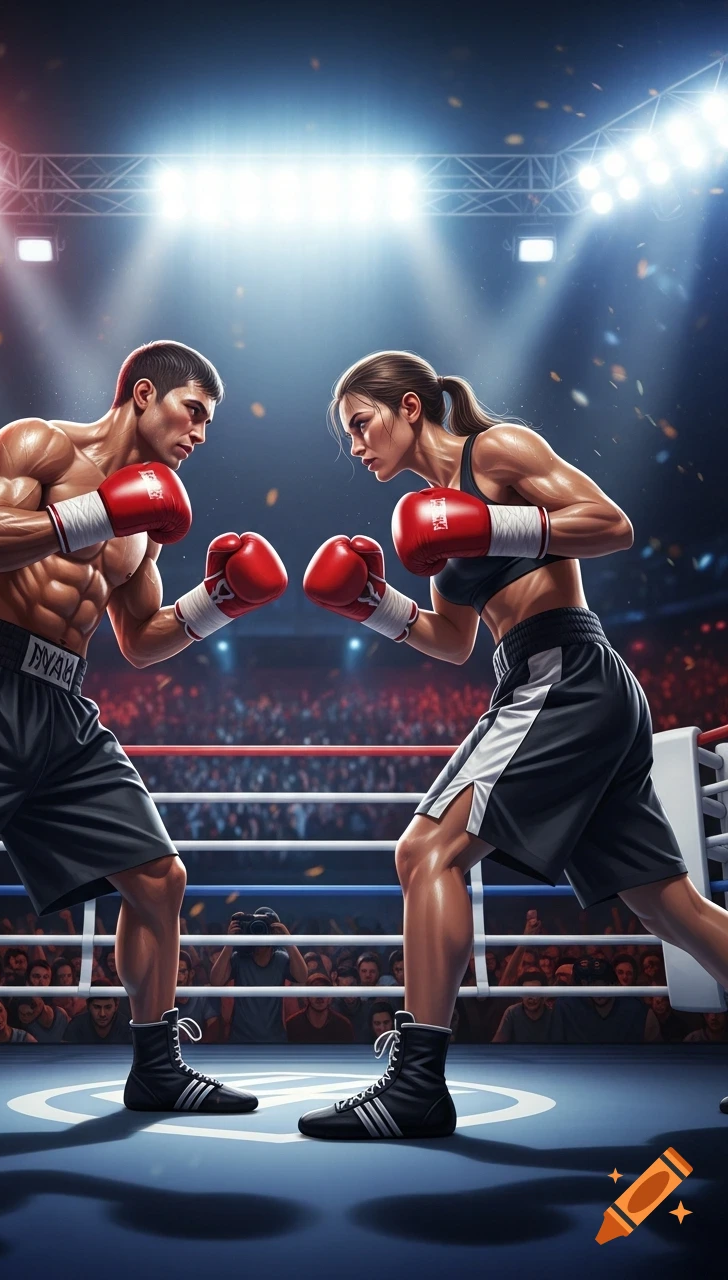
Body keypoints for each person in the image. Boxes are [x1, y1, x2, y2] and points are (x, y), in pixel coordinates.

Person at [0, 341, 287, 1116]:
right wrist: (97, 510)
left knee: (159, 880)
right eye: (193, 412)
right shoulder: (39, 445)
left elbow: (140, 639)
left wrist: (220, 601)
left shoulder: (149, 521)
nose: (200, 434)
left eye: (208, 422)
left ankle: (157, 1068)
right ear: (143, 395)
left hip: (65, 706)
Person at [298, 349, 728, 1139]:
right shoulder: (428, 523)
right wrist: (372, 604)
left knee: (425, 853)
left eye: (361, 424)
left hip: (564, 674)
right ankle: (417, 1087)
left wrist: (489, 523)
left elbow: (611, 525)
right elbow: (453, 640)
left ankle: (416, 1087)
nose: (355, 446)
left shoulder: (494, 452)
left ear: (410, 408)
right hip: (547, 681)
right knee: (669, 907)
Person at [210, 908, 308, 1043]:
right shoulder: (239, 959)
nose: (260, 932)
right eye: (255, 927)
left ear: (273, 932)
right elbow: (215, 981)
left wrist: (288, 941)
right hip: (241, 1040)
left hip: (274, 1039)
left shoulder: (280, 959)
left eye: (264, 928)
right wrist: (229, 944)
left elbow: (302, 977)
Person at [549, 958, 658, 1044]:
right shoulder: (566, 1006)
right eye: (594, 985)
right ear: (586, 984)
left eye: (604, 985)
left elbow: (657, 1055)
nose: (599, 992)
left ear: (614, 984)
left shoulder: (639, 1011)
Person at [285, 974, 355, 1044]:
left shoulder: (343, 1026)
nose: (319, 997)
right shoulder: (292, 1025)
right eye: (315, 992)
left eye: (324, 992)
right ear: (306, 997)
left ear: (330, 997)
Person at [491, 971, 553, 1044]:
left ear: (544, 994)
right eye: (526, 992)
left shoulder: (553, 1014)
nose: (531, 997)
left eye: (535, 992)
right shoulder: (512, 1012)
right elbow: (497, 1045)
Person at [62, 982, 132, 1044]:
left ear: (116, 1006)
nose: (102, 1014)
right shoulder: (76, 1026)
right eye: (97, 1007)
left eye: (108, 1007)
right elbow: (65, 1052)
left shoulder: (127, 1027)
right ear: (88, 1005)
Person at [175, 949, 220, 1043]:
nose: (178, 977)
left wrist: (202, 1046)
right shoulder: (165, 1000)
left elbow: (214, 1025)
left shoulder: (200, 997)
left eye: (182, 971)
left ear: (191, 973)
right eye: (174, 972)